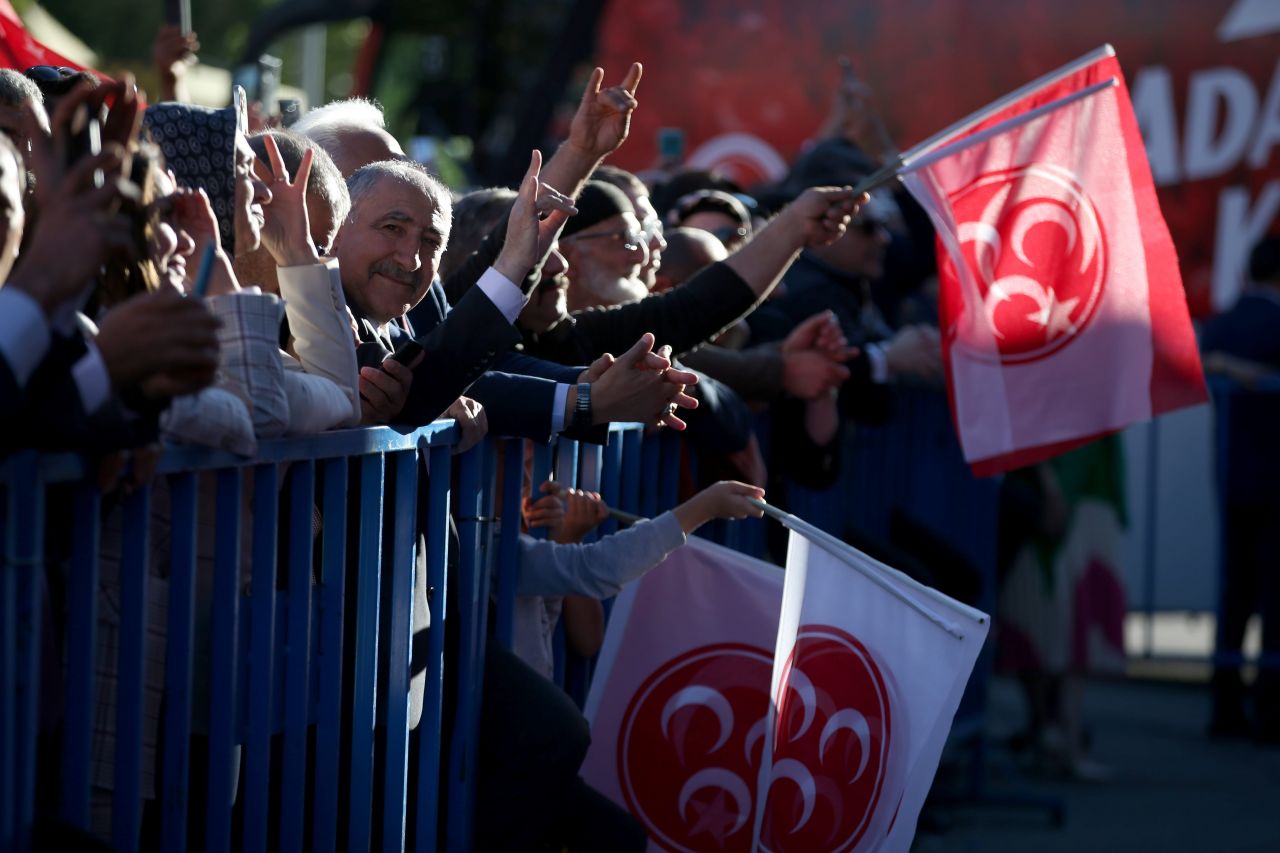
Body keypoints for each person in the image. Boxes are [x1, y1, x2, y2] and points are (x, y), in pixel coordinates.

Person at [515, 479, 766, 680]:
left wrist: (566, 540)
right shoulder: (495, 545)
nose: (529, 479)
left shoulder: (531, 542)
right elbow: (597, 568)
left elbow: (588, 639)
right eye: (510, 455)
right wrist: (703, 507)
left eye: (534, 467)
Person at [1200, 235, 1280, 742]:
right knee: (1274, 595)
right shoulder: (1274, 324)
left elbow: (1205, 365)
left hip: (1233, 477)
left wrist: (1234, 369)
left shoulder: (1224, 324)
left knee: (1234, 591)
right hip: (1275, 480)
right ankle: (1269, 709)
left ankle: (1225, 704)